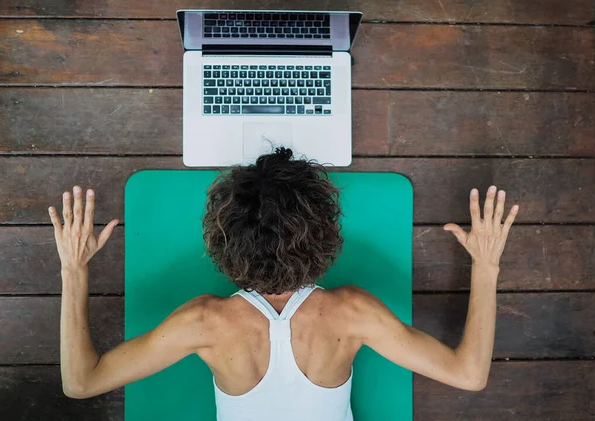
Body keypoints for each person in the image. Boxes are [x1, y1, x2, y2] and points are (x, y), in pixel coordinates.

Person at [49, 147, 519, 421]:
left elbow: (81, 382)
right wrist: (486, 265)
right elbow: (469, 374)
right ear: (325, 235)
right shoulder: (353, 312)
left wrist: (74, 269)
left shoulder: (203, 322)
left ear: (222, 241)